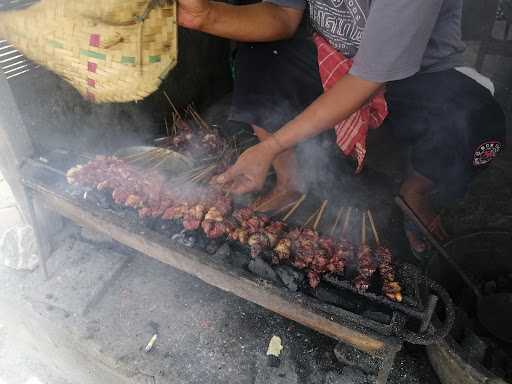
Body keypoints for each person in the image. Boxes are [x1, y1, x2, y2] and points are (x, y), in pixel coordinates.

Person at [177, 0, 506, 257]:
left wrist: (269, 146)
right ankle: (289, 180)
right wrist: (207, 16)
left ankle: (415, 190)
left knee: (474, 120)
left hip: (420, 74)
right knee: (260, 55)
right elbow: (282, 14)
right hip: (334, 56)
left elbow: (368, 77)